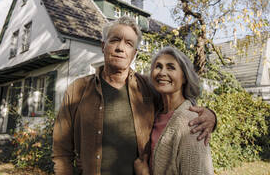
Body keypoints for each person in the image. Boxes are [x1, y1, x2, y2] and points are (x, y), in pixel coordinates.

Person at [52, 16, 216, 175]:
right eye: (114, 40)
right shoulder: (78, 89)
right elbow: (61, 151)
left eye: (129, 43)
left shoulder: (148, 88)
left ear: (134, 53)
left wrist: (211, 116)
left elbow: (178, 107)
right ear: (103, 46)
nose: (120, 48)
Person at [134, 46, 214, 175]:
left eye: (171, 67)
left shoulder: (190, 123)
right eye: (158, 66)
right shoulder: (157, 112)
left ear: (184, 78)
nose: (162, 72)